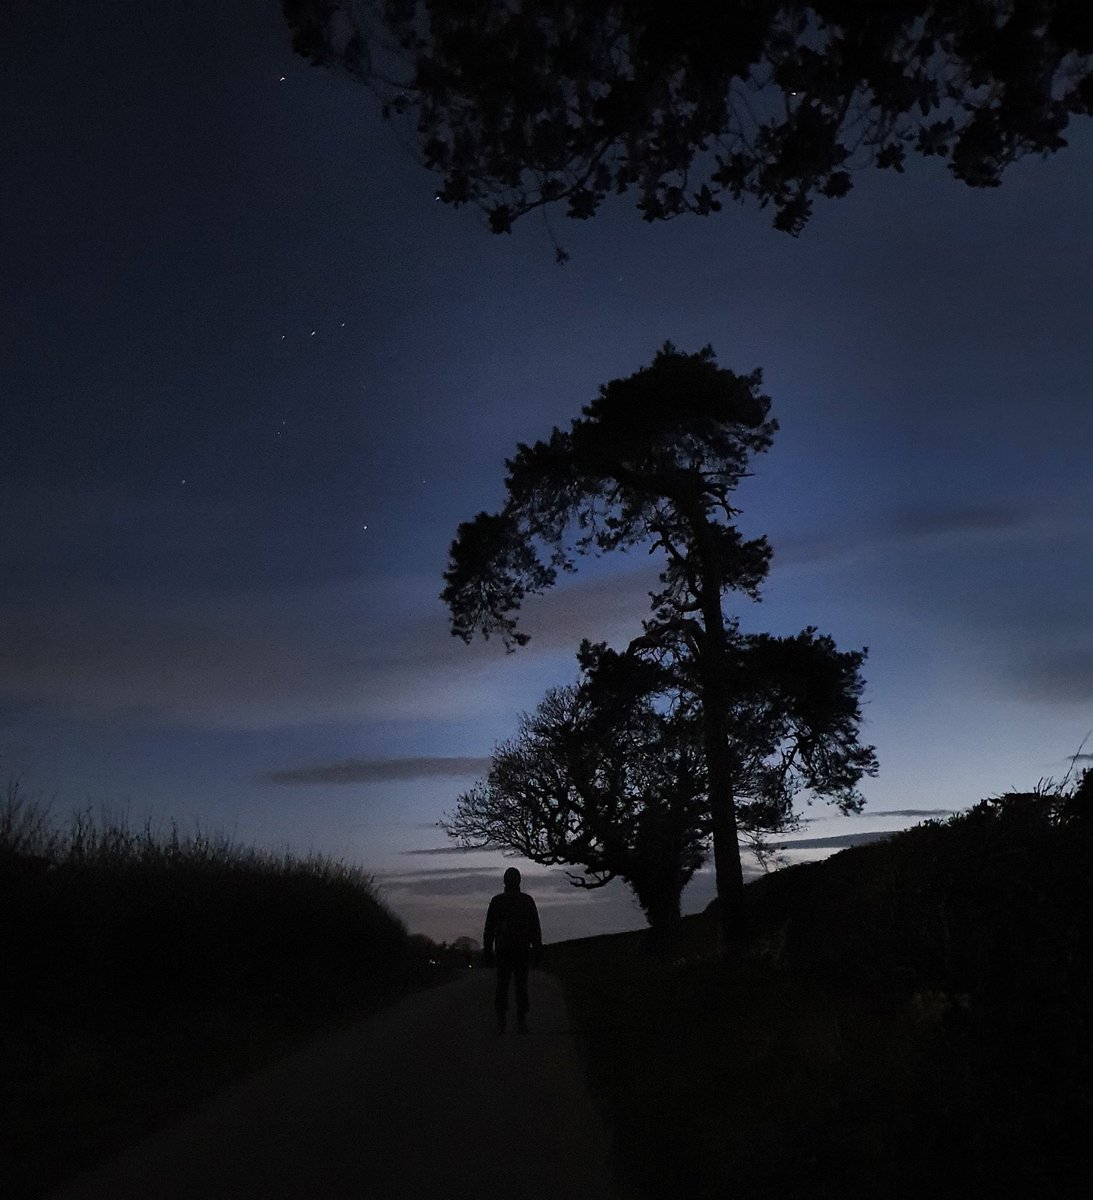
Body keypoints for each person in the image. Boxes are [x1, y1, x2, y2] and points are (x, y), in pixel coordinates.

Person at [482, 867, 542, 1034]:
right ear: (519, 881)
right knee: (520, 985)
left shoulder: (497, 901)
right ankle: (520, 1022)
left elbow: (489, 929)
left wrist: (488, 951)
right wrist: (537, 950)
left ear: (504, 881)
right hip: (521, 950)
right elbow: (535, 928)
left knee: (503, 985)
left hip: (503, 950)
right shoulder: (527, 901)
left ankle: (502, 1022)